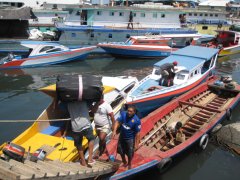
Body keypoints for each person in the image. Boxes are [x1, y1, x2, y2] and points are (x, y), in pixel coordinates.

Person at [65, 101, 95, 166]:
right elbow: (93, 109)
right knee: (91, 139)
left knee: (79, 145)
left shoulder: (68, 103)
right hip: (86, 125)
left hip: (75, 127)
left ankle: (83, 162)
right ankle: (90, 159)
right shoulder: (84, 101)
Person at [112, 105, 141, 169]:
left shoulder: (137, 120)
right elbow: (117, 122)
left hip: (130, 139)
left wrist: (137, 144)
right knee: (120, 150)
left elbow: (138, 133)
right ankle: (124, 161)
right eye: (128, 111)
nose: (129, 112)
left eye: (131, 111)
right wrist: (114, 131)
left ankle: (129, 163)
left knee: (130, 152)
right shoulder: (123, 114)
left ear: (134, 112)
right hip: (122, 136)